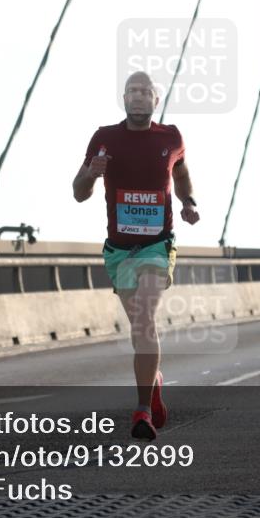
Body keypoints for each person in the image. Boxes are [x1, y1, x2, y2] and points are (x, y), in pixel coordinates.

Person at [72, 71, 199, 440]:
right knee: (139, 329)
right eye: (132, 91)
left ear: (155, 101)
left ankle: (141, 411)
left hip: (158, 246)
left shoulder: (170, 137)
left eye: (145, 91)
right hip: (118, 252)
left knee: (144, 318)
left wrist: (188, 202)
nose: (139, 97)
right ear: (124, 99)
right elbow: (78, 192)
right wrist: (92, 176)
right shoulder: (104, 138)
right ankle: (154, 383)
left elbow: (182, 176)